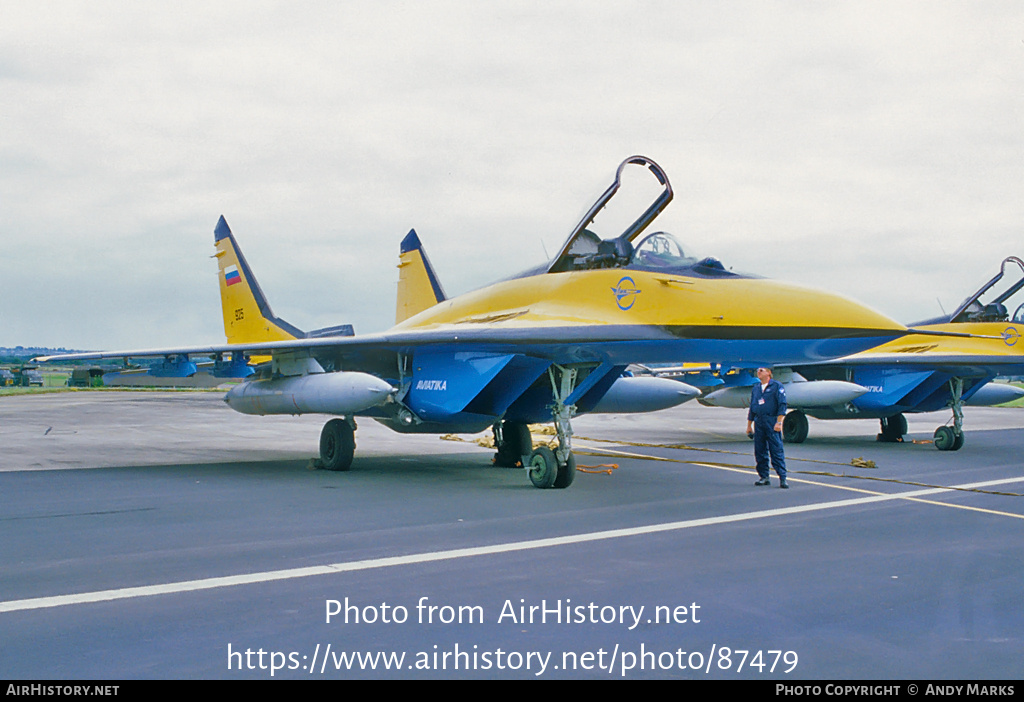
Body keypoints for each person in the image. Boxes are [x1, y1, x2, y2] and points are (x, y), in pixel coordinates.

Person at [746, 367, 789, 488]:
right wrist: (749, 425)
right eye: (758, 370)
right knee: (760, 451)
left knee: (776, 450)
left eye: (762, 370)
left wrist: (779, 422)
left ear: (769, 373)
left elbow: (782, 404)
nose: (759, 372)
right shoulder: (756, 388)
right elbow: (753, 407)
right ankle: (764, 477)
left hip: (772, 421)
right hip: (759, 421)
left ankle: (783, 478)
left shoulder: (776, 386)